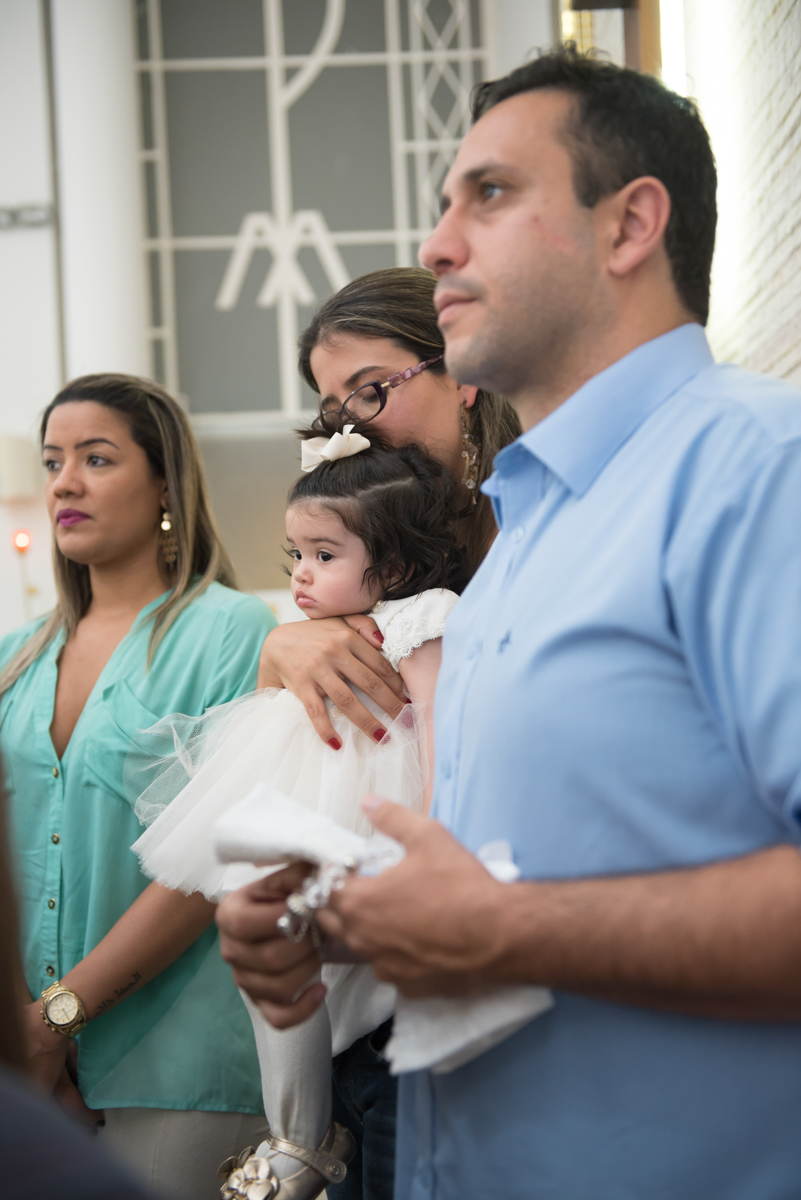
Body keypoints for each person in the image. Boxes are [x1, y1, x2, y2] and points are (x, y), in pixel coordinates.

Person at [216, 47, 801, 1200]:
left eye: (487, 194)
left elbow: (508, 916)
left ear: (631, 223)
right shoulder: (523, 531)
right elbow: (519, 867)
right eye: (443, 204)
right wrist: (340, 916)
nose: (437, 244)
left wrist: (504, 930)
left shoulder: (757, 470)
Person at [130, 420, 466, 1200]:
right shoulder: (303, 631)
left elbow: (441, 732)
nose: (303, 577)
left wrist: (431, 826)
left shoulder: (422, 620)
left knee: (322, 958)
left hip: (369, 802)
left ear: (399, 564)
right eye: (297, 557)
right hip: (301, 788)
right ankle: (298, 1131)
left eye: (325, 556)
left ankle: (306, 1133)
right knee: (269, 945)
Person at [0, 375, 276, 1199]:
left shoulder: (232, 631)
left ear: (164, 483)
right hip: (24, 1069)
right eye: (53, 461)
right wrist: (23, 1032)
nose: (65, 483)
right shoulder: (14, 656)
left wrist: (57, 1020)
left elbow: (207, 859)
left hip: (176, 1064)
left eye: (96, 458)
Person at [255, 267, 520, 749]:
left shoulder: (539, 530)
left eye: (371, 392)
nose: (351, 430)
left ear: (464, 374)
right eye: (335, 413)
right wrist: (278, 655)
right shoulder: (372, 548)